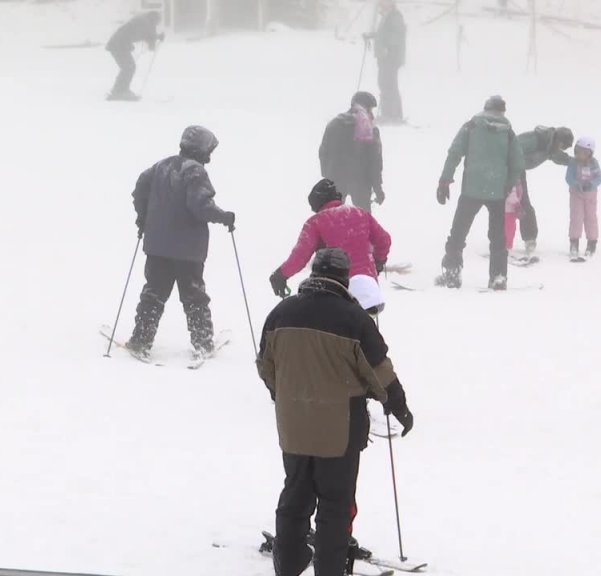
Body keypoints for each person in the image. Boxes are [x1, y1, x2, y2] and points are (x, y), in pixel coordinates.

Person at [257, 248, 414, 576]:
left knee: (295, 498)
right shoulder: (353, 318)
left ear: (314, 273)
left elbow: (267, 366)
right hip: (339, 433)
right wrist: (398, 406)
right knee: (335, 506)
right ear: (344, 278)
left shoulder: (281, 313)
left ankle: (287, 565)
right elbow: (379, 372)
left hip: (294, 427)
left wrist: (285, 397)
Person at [126, 126, 236, 358]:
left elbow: (139, 191)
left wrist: (143, 217)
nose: (210, 157)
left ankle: (140, 339)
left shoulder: (160, 166)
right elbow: (201, 207)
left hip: (157, 247)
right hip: (187, 250)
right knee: (194, 296)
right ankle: (203, 342)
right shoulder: (195, 172)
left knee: (153, 294)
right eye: (209, 151)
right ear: (202, 149)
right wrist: (223, 216)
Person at [436, 95, 525, 290]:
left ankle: (452, 274)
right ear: (503, 111)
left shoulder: (472, 126)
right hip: (497, 190)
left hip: (471, 189)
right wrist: (506, 184)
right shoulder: (508, 132)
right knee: (498, 235)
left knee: (458, 231)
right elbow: (518, 162)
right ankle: (498, 277)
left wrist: (445, 180)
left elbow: (455, 152)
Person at [270, 179, 392, 298]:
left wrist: (280, 275)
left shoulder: (315, 222)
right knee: (365, 317)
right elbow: (384, 240)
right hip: (368, 284)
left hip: (337, 288)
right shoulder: (360, 213)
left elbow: (300, 256)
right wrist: (377, 263)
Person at [508, 126, 574, 254]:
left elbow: (558, 156)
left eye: (563, 148)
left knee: (523, 203)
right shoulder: (533, 140)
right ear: (556, 139)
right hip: (507, 169)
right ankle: (500, 240)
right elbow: (512, 152)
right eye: (561, 145)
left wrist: (576, 163)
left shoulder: (549, 146)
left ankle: (530, 239)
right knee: (504, 204)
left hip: (518, 171)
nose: (560, 149)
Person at [319, 92, 385, 213]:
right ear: (367, 108)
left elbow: (323, 152)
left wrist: (328, 176)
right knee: (363, 221)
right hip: (361, 183)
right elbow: (375, 161)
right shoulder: (370, 127)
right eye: (371, 109)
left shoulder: (334, 124)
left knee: (332, 219)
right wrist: (378, 188)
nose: (372, 115)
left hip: (336, 179)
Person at [105, 10, 164, 101]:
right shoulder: (143, 22)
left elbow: (150, 40)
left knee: (129, 67)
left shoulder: (145, 22)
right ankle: (120, 91)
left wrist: (157, 37)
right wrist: (157, 37)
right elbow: (148, 36)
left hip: (119, 45)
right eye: (156, 22)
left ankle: (120, 90)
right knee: (129, 67)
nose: (156, 25)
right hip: (117, 45)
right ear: (153, 19)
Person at [366, 0, 407, 124]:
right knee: (384, 83)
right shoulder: (386, 15)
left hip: (391, 57)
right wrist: (372, 35)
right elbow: (383, 34)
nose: (381, 3)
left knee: (389, 84)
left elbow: (397, 35)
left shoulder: (395, 16)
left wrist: (386, 46)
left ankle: (393, 115)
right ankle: (389, 114)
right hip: (384, 56)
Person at [564, 136, 601, 260]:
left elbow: (599, 178)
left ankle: (592, 243)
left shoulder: (594, 163)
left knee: (590, 218)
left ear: (589, 153)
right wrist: (576, 184)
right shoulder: (573, 162)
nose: (580, 155)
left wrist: (591, 184)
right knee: (576, 218)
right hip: (576, 194)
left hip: (590, 195)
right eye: (578, 151)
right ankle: (574, 243)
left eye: (583, 152)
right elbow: (569, 177)